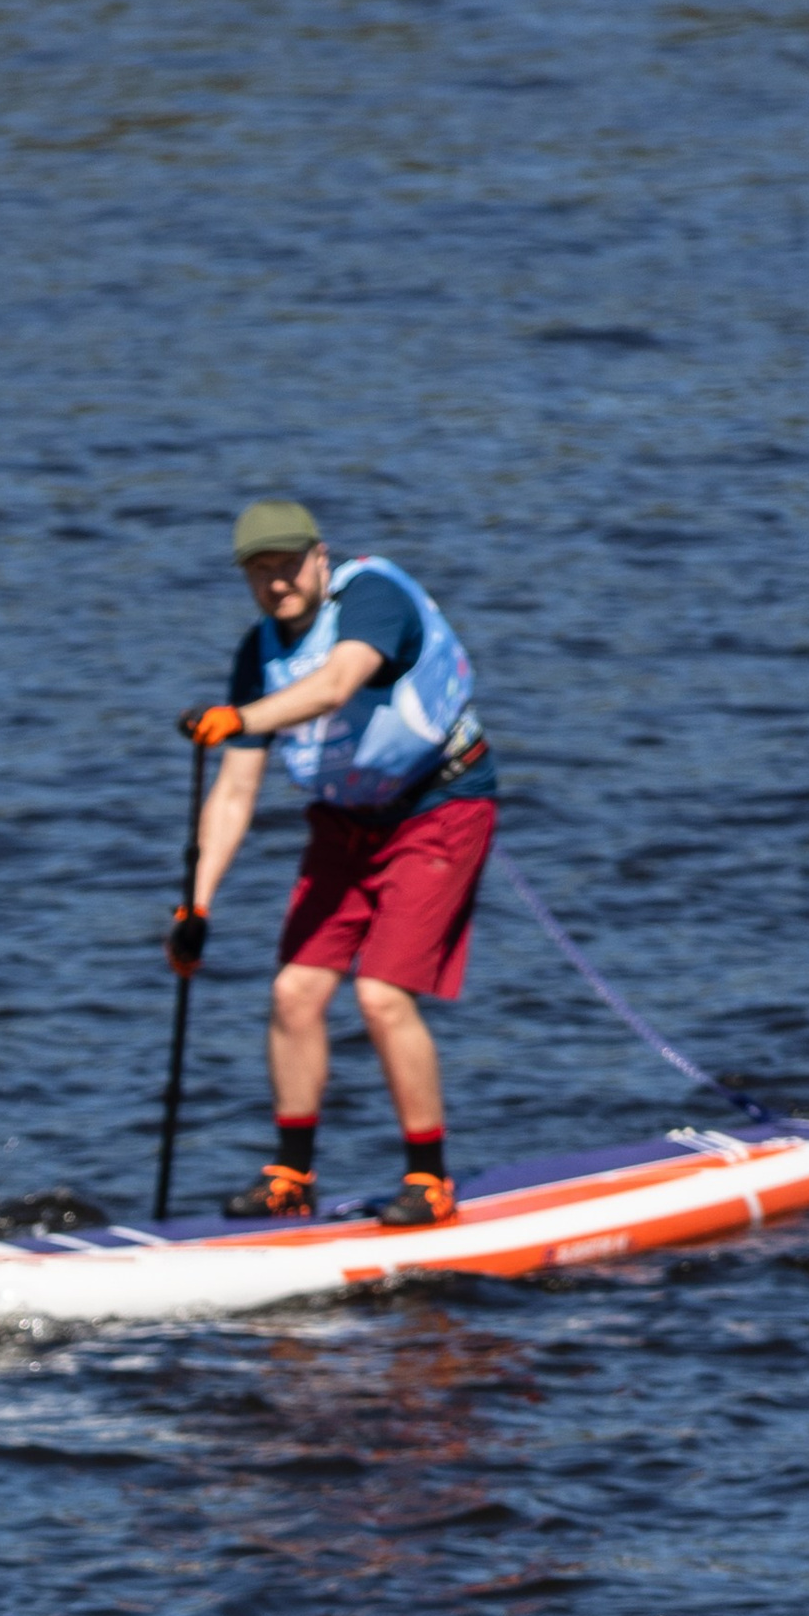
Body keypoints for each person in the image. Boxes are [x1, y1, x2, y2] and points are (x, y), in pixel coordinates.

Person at [167, 499, 497, 1227]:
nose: (277, 582)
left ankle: (429, 1180)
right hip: (347, 823)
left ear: (320, 557)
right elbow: (235, 792)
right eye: (260, 571)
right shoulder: (258, 654)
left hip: (439, 806)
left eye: (288, 565)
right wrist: (196, 903)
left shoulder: (373, 597)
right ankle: (291, 1176)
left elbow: (337, 684)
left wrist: (241, 719)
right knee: (294, 991)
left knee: (380, 994)